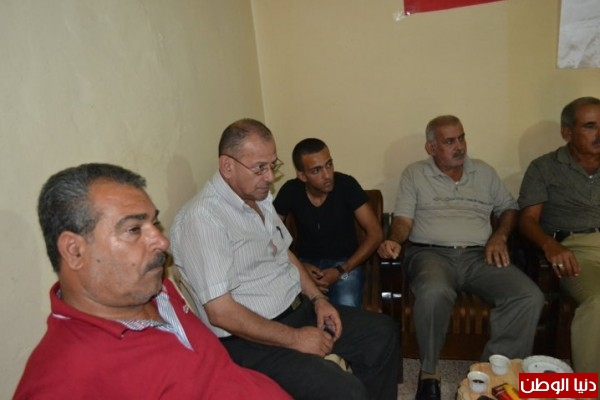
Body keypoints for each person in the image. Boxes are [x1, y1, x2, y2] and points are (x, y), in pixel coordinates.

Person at [14, 163, 291, 399]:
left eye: (154, 224)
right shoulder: (64, 379)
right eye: (134, 229)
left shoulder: (153, 288)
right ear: (75, 251)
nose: (161, 241)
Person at [170, 118, 400, 400]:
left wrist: (319, 299)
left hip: (298, 311)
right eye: (259, 168)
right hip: (252, 340)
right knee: (345, 391)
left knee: (382, 333)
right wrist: (296, 338)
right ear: (227, 166)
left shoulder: (259, 198)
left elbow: (285, 253)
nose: (270, 177)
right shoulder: (203, 219)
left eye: (272, 165)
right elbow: (221, 313)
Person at [378, 115, 544, 400]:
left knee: (529, 295)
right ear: (431, 148)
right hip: (431, 254)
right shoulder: (415, 173)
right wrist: (394, 239)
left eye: (462, 138)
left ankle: (494, 370)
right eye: (449, 141)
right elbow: (403, 220)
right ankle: (429, 372)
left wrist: (500, 236)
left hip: (480, 255)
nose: (460, 146)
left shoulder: (484, 172)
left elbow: (509, 208)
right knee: (434, 292)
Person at [518, 96, 600, 374]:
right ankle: (590, 387)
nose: (599, 133)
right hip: (576, 251)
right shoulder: (544, 168)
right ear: (567, 132)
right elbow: (528, 221)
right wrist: (549, 245)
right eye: (590, 126)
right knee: (598, 302)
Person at [273, 138, 383, 307]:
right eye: (316, 170)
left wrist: (341, 270)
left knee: (346, 307)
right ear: (302, 175)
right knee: (292, 309)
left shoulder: (346, 185)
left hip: (346, 265)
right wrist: (299, 266)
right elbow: (270, 234)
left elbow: (375, 234)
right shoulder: (290, 190)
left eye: (329, 165)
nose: (327, 175)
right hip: (305, 264)